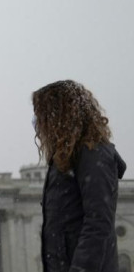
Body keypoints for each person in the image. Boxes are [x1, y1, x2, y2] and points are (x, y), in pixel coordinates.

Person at [33, 80, 127, 272]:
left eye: (41, 117)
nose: (38, 125)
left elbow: (98, 223)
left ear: (60, 117)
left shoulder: (93, 155)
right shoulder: (65, 159)